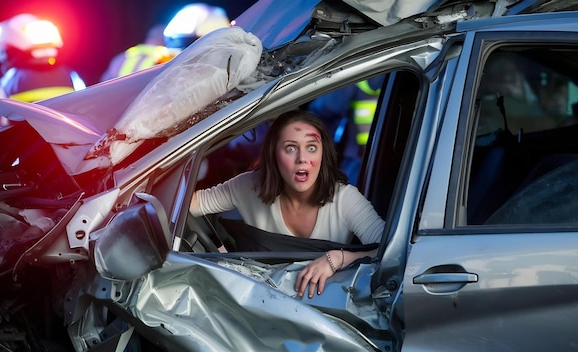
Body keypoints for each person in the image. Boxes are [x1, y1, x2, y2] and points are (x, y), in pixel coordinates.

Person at [190, 110, 385, 298]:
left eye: (311, 148)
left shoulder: (345, 199)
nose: (302, 159)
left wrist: (338, 259)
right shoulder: (248, 186)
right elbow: (189, 205)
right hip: (256, 303)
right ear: (273, 154)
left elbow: (394, 250)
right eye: (290, 148)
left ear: (322, 154)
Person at [0, 13, 86, 129]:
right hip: (71, 139)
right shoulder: (70, 74)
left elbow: (1, 125)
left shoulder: (10, 80)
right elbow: (86, 108)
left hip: (28, 143)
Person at [308, 76, 384, 185]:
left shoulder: (356, 78)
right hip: (382, 160)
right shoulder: (404, 76)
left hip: (358, 161)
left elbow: (320, 111)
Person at [100, 24, 176, 82]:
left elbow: (103, 84)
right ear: (163, 38)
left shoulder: (122, 57)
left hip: (123, 101)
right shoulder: (166, 57)